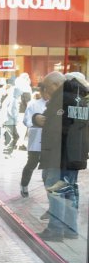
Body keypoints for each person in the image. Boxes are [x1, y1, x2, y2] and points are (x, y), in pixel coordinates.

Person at [39, 72, 89, 241]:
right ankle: (70, 229)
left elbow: (59, 127)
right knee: (69, 191)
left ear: (55, 85)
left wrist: (45, 122)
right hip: (76, 153)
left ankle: (56, 229)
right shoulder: (80, 98)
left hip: (61, 154)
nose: (47, 92)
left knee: (56, 191)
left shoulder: (62, 99)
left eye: (47, 88)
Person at [20, 88, 46, 197]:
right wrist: (36, 123)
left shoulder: (56, 103)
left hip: (50, 138)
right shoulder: (33, 104)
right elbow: (26, 120)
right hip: (35, 136)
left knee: (49, 165)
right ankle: (24, 185)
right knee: (32, 163)